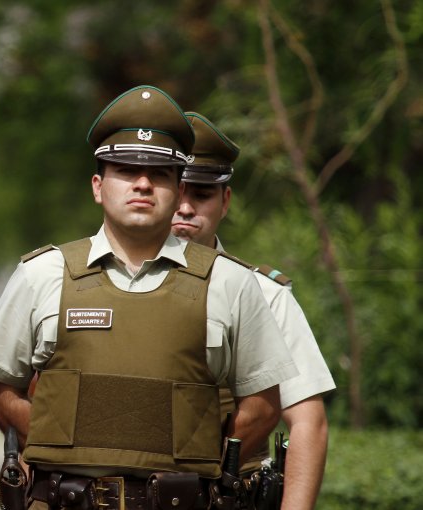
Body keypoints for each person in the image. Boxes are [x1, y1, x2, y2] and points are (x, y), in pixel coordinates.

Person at [0, 85, 298, 510]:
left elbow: (263, 404)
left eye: (160, 174)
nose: (143, 183)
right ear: (98, 186)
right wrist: (56, 439)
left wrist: (205, 459)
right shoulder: (40, 276)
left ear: (178, 191)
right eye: (125, 170)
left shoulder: (230, 284)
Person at [172, 112, 336, 510]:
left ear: (225, 201)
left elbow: (308, 423)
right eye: (174, 191)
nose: (185, 208)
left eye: (201, 194)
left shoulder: (264, 294)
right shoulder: (92, 285)